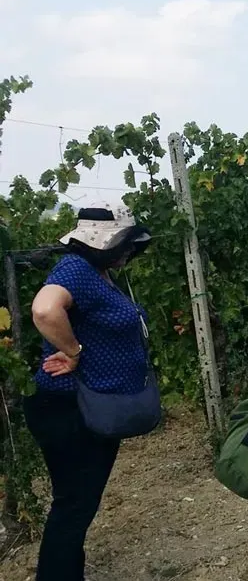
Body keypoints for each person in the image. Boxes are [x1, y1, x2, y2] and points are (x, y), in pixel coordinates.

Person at [24, 204, 152, 581]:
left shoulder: (97, 273)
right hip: (70, 408)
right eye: (124, 244)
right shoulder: (76, 269)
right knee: (73, 507)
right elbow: (45, 310)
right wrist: (73, 352)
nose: (129, 251)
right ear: (101, 244)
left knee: (75, 506)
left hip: (85, 407)